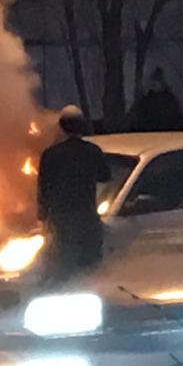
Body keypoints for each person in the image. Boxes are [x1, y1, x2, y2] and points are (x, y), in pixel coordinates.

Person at [37, 105, 110, 283]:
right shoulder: (92, 151)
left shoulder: (50, 155)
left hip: (61, 219)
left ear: (62, 126)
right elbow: (105, 176)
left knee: (64, 263)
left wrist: (43, 217)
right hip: (87, 215)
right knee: (91, 264)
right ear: (82, 125)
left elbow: (44, 187)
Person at [130, 67, 183, 132]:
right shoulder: (145, 101)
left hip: (168, 136)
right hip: (147, 136)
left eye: (158, 81)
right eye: (154, 81)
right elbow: (136, 118)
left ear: (162, 82)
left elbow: (177, 119)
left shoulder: (170, 100)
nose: (156, 84)